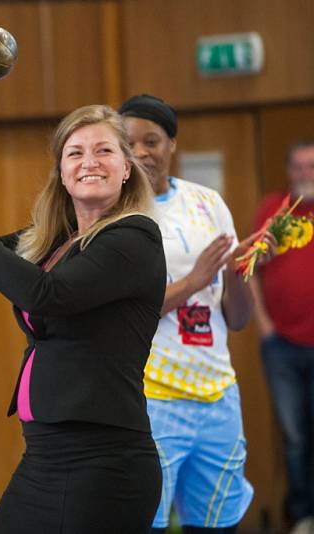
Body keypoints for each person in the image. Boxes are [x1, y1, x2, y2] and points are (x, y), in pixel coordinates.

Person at [0, 104, 165, 533]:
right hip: (47, 455)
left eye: (104, 150)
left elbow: (47, 295)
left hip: (102, 463)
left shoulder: (134, 238)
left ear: (126, 168)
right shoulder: (55, 242)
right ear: (62, 173)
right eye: (75, 153)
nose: (89, 161)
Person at [121, 94, 272, 533]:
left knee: (216, 523)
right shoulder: (114, 213)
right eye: (130, 143)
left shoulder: (208, 203)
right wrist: (195, 280)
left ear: (172, 145)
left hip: (216, 389)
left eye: (153, 140)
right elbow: (122, 314)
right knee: (145, 520)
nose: (142, 152)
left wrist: (237, 271)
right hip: (151, 394)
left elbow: (237, 318)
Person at [250, 140, 314, 534]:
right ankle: (304, 516)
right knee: (294, 436)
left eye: (313, 166)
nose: (307, 173)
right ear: (289, 171)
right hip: (282, 347)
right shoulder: (274, 211)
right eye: (300, 166)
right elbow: (250, 267)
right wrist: (264, 327)